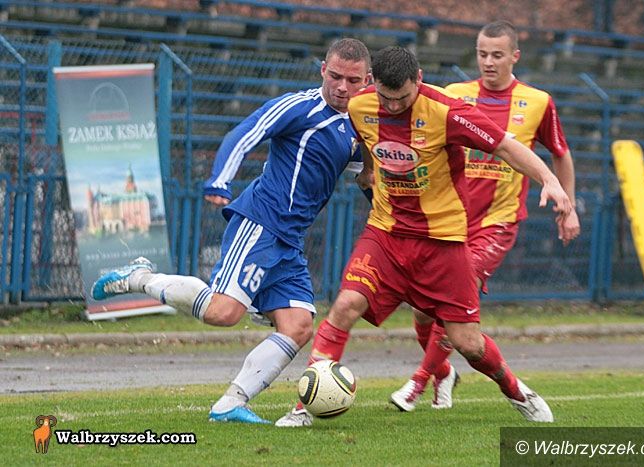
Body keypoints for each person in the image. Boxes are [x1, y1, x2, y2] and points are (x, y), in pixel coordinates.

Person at [275, 46, 574, 427]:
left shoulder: (446, 111)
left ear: (418, 80)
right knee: (346, 304)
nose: (393, 106)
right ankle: (304, 408)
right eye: (386, 97)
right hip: (386, 232)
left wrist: (549, 179)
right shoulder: (361, 104)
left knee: (467, 343)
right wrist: (368, 171)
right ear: (373, 84)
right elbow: (366, 138)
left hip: (442, 241)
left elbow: (505, 145)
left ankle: (516, 391)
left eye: (402, 98)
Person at [90, 38, 372, 424]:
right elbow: (246, 132)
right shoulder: (301, 107)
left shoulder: (358, 125)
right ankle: (139, 277)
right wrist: (220, 180)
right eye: (335, 76)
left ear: (366, 81)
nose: (342, 87)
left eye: (352, 80)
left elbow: (367, 177)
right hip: (262, 222)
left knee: (298, 326)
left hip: (290, 239)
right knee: (224, 312)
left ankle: (230, 404)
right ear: (323, 70)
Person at [390, 20, 581, 412]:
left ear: (515, 56)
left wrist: (569, 206)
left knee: (451, 301)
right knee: (423, 309)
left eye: (497, 55)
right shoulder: (455, 95)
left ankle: (418, 381)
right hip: (450, 221)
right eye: (482, 54)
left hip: (497, 223)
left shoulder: (538, 102)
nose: (488, 62)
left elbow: (560, 153)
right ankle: (444, 372)